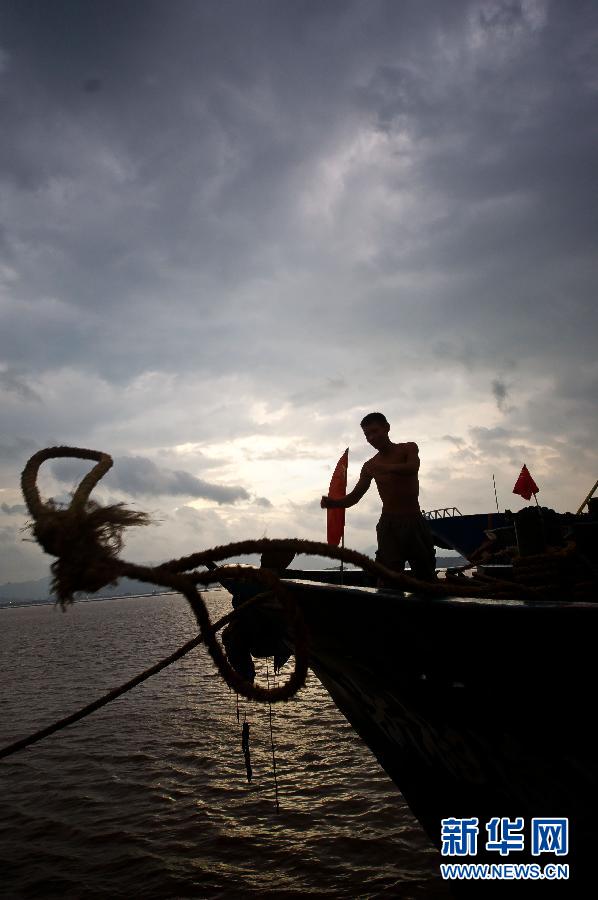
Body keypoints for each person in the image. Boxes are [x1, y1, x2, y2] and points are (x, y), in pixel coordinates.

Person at [320, 412, 436, 583]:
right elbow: (354, 497)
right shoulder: (369, 466)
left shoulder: (408, 448)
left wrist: (387, 468)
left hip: (414, 521)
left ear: (387, 428)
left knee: (425, 574)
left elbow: (413, 467)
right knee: (388, 577)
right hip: (388, 525)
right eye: (367, 434)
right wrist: (333, 503)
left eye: (375, 431)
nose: (371, 437)